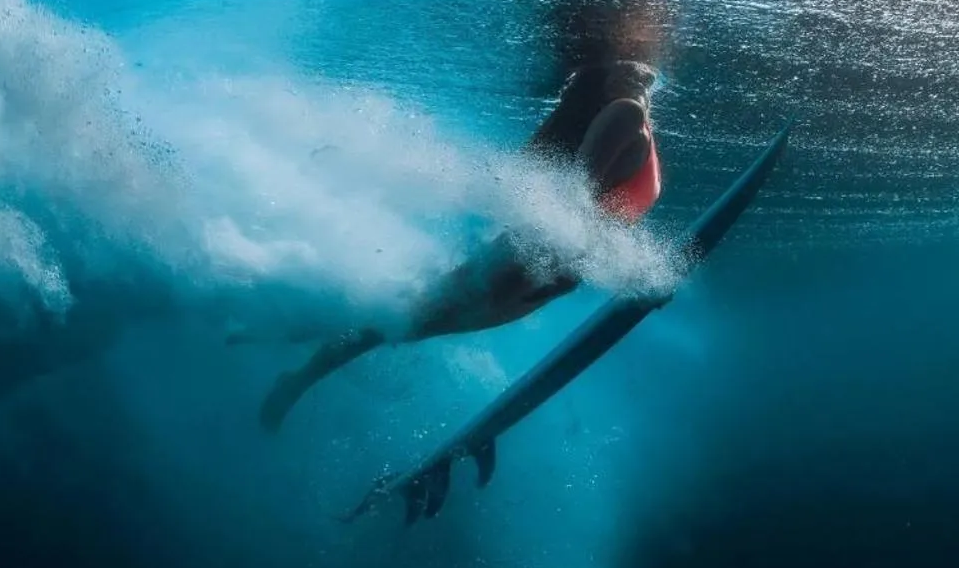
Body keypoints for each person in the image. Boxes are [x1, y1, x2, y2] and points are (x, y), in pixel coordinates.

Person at [257, 59, 662, 432]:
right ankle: (296, 371)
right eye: (629, 70)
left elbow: (593, 208)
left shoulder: (636, 126)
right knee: (399, 322)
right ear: (608, 79)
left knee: (405, 325)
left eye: (643, 73)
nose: (641, 75)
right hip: (525, 262)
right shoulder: (626, 113)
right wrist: (630, 272)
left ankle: (295, 333)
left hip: (542, 267)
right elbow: (576, 197)